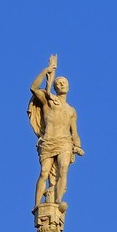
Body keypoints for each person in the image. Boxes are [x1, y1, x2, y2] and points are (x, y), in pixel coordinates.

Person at [28, 57, 83, 208]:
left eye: (64, 82)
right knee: (44, 172)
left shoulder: (71, 110)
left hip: (65, 142)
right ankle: (37, 205)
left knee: (63, 169)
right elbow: (33, 88)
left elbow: (74, 132)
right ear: (55, 86)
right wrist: (46, 70)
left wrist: (78, 146)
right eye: (58, 83)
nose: (62, 84)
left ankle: (58, 200)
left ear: (68, 87)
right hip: (48, 141)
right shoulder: (48, 100)